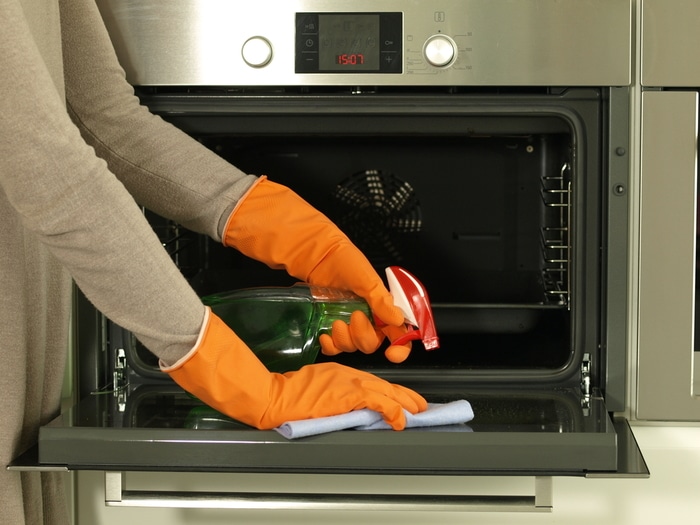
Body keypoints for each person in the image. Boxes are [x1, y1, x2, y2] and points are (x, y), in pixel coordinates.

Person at [0, 0, 426, 523]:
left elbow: (104, 120)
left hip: (24, 344)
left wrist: (306, 241)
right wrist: (251, 387)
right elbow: (52, 173)